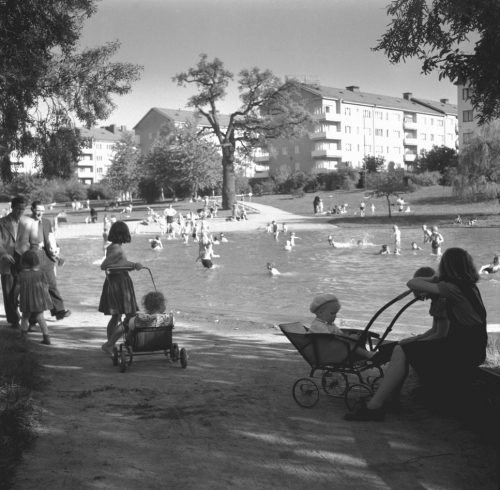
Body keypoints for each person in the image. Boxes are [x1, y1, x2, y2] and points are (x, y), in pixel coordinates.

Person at [345, 249, 487, 421]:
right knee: (402, 349)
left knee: (402, 350)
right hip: (472, 345)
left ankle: (375, 406)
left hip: (464, 348)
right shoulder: (468, 286)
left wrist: (435, 278)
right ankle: (384, 402)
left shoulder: (451, 289)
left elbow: (412, 283)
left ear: (446, 267)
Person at [99, 222, 143, 341]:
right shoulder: (117, 249)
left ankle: (111, 344)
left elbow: (117, 264)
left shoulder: (112, 247)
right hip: (119, 283)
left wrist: (132, 265)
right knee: (131, 317)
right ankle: (111, 344)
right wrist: (133, 265)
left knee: (116, 317)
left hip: (114, 281)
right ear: (124, 234)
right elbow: (104, 266)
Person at [29, 201, 71, 326]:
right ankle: (32, 319)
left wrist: (57, 252)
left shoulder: (47, 222)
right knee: (35, 288)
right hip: (33, 255)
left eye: (42, 210)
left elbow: (51, 239)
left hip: (47, 256)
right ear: (32, 209)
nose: (40, 212)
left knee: (52, 284)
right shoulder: (26, 222)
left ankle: (59, 311)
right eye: (38, 210)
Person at [0, 197, 39, 329]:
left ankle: (33, 321)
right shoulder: (1, 222)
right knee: (9, 291)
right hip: (7, 261)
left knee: (30, 291)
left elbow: (34, 243)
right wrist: (4, 254)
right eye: (18, 208)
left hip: (25, 262)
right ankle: (14, 320)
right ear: (12, 207)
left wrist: (31, 259)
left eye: (22, 209)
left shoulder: (30, 222)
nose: (20, 211)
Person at [102, 291, 174, 355]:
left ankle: (110, 343)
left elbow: (130, 326)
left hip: (141, 344)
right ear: (161, 306)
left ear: (146, 307)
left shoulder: (139, 319)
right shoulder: (169, 318)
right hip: (163, 343)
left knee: (126, 323)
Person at [308, 294, 376, 360]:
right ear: (321, 313)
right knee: (348, 345)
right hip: (323, 353)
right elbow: (329, 340)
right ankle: (368, 354)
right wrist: (348, 339)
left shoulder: (330, 324)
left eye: (336, 313)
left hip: (329, 351)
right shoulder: (318, 325)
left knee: (352, 341)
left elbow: (341, 335)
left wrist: (349, 337)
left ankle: (364, 354)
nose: (335, 316)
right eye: (332, 313)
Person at [15, 250, 53, 344]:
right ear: (37, 262)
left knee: (25, 317)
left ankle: (23, 336)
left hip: (26, 300)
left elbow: (17, 288)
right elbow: (46, 285)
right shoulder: (41, 274)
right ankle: (46, 337)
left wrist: (15, 297)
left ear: (23, 262)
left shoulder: (21, 275)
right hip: (39, 300)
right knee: (40, 317)